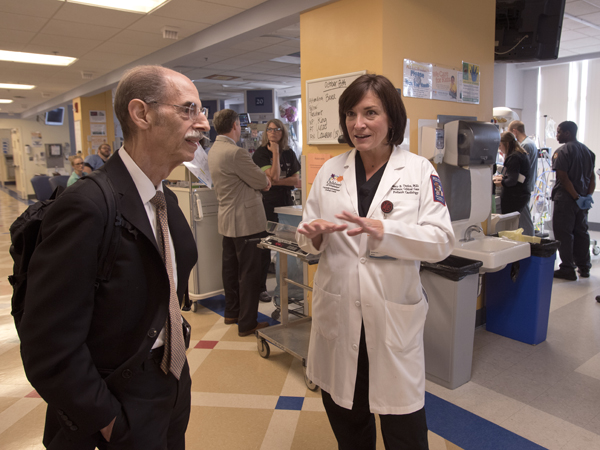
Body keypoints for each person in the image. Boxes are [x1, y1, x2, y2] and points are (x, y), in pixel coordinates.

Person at [19, 65, 209, 449]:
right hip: (114, 399)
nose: (202, 123)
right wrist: (108, 422)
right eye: (188, 110)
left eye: (201, 111)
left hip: (167, 382)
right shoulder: (87, 206)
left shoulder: (164, 199)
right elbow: (48, 343)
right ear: (141, 114)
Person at [296, 74, 455, 450]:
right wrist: (314, 233)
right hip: (340, 315)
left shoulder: (419, 171)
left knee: (404, 430)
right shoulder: (331, 171)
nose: (358, 124)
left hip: (390, 319)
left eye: (370, 112)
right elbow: (307, 235)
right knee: (347, 419)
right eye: (351, 114)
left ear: (392, 119)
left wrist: (382, 230)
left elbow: (441, 241)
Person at [207, 109, 272, 337]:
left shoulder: (214, 150)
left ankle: (232, 312)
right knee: (250, 274)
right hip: (247, 223)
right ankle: (248, 323)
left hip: (227, 221)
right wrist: (263, 181)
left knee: (231, 271)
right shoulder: (235, 153)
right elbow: (261, 180)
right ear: (236, 125)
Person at [252, 118, 301, 302]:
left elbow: (295, 181)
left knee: (287, 245)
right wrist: (275, 153)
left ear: (283, 132)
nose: (272, 132)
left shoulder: (290, 153)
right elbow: (271, 175)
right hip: (267, 204)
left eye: (277, 129)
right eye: (269, 129)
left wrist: (275, 182)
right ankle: (261, 288)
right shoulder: (261, 154)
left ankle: (288, 287)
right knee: (266, 246)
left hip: (286, 204)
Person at [552, 121, 596, 281]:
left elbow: (563, 177)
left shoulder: (562, 151)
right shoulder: (588, 152)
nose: (556, 135)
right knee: (581, 233)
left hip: (566, 199)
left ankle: (567, 269)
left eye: (558, 132)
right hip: (582, 201)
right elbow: (592, 177)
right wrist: (586, 197)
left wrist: (575, 197)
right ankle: (584, 268)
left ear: (567, 133)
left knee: (564, 234)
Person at [508, 120, 538, 235]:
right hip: (527, 185)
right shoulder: (531, 143)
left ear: (514, 131)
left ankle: (530, 242)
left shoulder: (525, 146)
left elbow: (521, 169)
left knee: (524, 217)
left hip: (522, 187)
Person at [493, 132, 530, 217]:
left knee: (509, 223)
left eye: (500, 146)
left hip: (514, 196)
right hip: (522, 193)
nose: (500, 149)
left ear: (507, 144)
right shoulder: (521, 154)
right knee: (514, 222)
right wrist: (504, 178)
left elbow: (512, 181)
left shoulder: (513, 157)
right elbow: (517, 175)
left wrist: (501, 182)